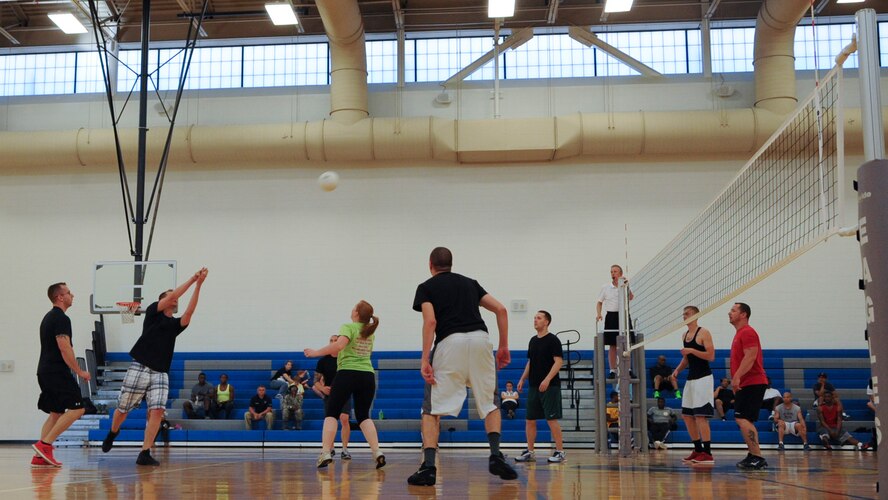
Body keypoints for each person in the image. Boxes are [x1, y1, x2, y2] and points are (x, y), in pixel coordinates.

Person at [408, 247, 517, 486]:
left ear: (431, 265)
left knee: (432, 409)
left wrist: (425, 358)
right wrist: (504, 346)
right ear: (451, 264)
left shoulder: (426, 287)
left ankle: (428, 467)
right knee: (490, 403)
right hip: (481, 340)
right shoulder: (470, 283)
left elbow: (431, 321)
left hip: (450, 342)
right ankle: (496, 455)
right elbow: (501, 309)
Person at [101, 268, 208, 466]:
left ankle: (145, 452)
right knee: (123, 410)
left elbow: (190, 311)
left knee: (158, 411)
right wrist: (193, 278)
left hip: (160, 373)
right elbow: (174, 294)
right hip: (140, 367)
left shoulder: (175, 325)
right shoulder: (152, 312)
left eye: (175, 297)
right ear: (162, 301)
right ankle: (113, 431)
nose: (175, 299)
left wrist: (199, 285)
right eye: (170, 297)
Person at [304, 300, 386, 469]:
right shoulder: (369, 331)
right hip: (368, 375)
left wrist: (315, 353)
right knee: (364, 415)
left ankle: (326, 452)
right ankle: (377, 451)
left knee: (332, 413)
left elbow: (339, 346)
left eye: (354, 307)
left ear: (356, 313)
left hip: (348, 373)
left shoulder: (348, 326)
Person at [33, 282, 91, 468]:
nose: (72, 295)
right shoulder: (61, 319)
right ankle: (45, 445)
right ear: (60, 297)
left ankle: (40, 457)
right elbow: (64, 347)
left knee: (56, 413)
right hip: (56, 371)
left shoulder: (48, 317)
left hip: (44, 370)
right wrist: (79, 371)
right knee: (78, 408)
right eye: (68, 293)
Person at [514, 310, 566, 464]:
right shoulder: (532, 341)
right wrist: (523, 379)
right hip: (534, 386)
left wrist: (547, 379)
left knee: (552, 420)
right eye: (534, 317)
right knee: (530, 419)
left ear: (546, 322)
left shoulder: (553, 340)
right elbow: (531, 362)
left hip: (550, 386)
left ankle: (560, 452)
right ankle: (530, 452)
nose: (535, 320)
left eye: (539, 318)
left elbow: (558, 362)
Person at [673, 305, 716, 464]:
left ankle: (708, 453)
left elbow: (711, 356)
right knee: (686, 415)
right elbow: (686, 359)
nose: (684, 316)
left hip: (703, 378)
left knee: (700, 415)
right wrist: (677, 370)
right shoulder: (684, 335)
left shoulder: (703, 332)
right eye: (683, 314)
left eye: (687, 314)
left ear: (696, 315)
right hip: (691, 379)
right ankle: (698, 450)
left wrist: (691, 351)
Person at [728, 302, 768, 470]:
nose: (729, 313)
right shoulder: (739, 333)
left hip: (753, 382)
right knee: (744, 419)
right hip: (747, 383)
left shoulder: (748, 332)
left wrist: (737, 377)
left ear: (743, 314)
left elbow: (750, 357)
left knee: (742, 418)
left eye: (733, 310)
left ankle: (758, 457)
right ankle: (753, 454)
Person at [312, 334, 352, 458]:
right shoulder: (323, 361)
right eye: (331, 340)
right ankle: (331, 448)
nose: (333, 342)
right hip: (329, 394)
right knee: (331, 420)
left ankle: (345, 449)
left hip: (344, 392)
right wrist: (323, 388)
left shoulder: (346, 358)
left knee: (344, 418)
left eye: (336, 340)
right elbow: (315, 381)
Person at [596, 265, 634, 378]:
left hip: (624, 315)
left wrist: (626, 285)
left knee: (627, 344)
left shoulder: (625, 285)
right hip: (611, 316)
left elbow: (631, 297)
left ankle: (628, 369)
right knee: (612, 345)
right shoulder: (606, 287)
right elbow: (599, 302)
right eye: (611, 272)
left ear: (620, 273)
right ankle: (612, 370)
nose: (613, 273)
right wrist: (599, 314)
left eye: (615, 271)